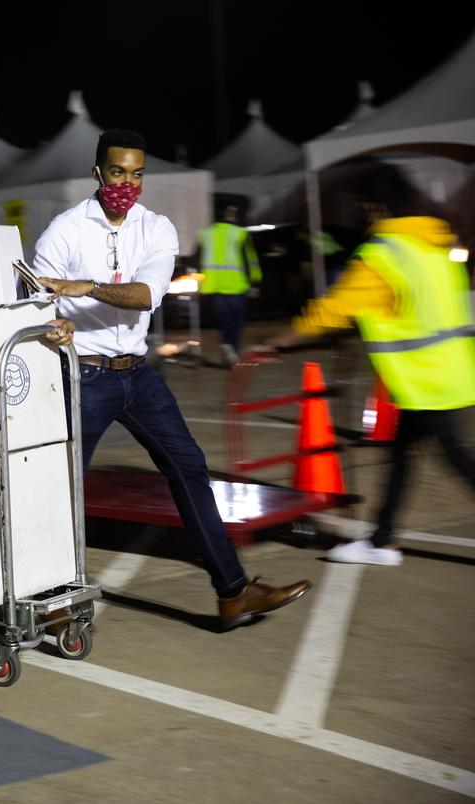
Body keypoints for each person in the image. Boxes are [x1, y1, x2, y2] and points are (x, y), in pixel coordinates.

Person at [34, 129, 312, 630]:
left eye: (137, 173)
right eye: (118, 172)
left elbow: (147, 295)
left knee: (190, 469)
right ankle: (50, 599)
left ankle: (232, 592)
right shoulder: (65, 231)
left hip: (137, 375)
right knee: (62, 489)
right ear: (97, 173)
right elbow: (35, 302)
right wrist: (54, 323)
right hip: (83, 375)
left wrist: (87, 287)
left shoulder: (156, 228)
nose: (128, 183)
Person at [261, 164, 475, 566]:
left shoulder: (384, 253)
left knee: (458, 462)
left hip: (428, 380)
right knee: (402, 454)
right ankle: (382, 539)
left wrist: (279, 340)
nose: (358, 215)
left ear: (375, 206)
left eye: (360, 207)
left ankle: (382, 540)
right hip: (450, 372)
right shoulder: (432, 245)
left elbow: (333, 309)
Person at [198, 202, 261, 366]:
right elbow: (250, 260)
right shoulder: (240, 233)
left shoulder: (206, 234)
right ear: (231, 216)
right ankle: (231, 348)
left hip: (214, 286)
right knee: (237, 320)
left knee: (224, 319)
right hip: (236, 285)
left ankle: (227, 347)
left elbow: (196, 259)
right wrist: (255, 282)